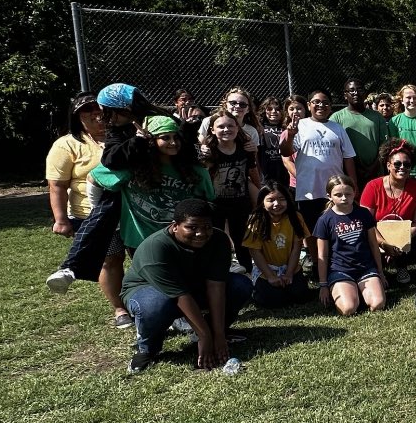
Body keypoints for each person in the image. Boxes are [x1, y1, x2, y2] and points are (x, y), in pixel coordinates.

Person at [122, 198, 252, 374]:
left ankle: (211, 330)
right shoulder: (155, 247)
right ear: (175, 226)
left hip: (192, 287)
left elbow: (216, 287)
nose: (201, 233)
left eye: (207, 227)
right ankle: (147, 349)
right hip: (149, 290)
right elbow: (179, 295)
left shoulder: (219, 239)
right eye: (192, 227)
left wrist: (218, 334)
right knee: (155, 304)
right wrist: (205, 336)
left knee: (240, 285)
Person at [45, 92, 129, 327]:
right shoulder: (67, 144)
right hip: (92, 214)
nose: (96, 113)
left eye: (99, 107)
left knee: (143, 258)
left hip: (133, 210)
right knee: (111, 260)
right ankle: (120, 309)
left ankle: (151, 304)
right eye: (87, 109)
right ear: (77, 117)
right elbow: (57, 185)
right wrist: (61, 219)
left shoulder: (124, 134)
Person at [91, 115, 216, 252]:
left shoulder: (194, 170)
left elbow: (209, 200)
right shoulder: (132, 167)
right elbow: (93, 178)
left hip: (181, 239)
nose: (173, 142)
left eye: (176, 137)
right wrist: (97, 212)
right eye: (165, 138)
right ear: (151, 141)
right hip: (141, 239)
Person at [279, 90, 357, 231]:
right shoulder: (300, 126)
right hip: (308, 189)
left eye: (325, 102)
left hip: (334, 189)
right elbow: (285, 152)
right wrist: (290, 136)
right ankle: (314, 247)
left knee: (335, 228)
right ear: (309, 105)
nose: (321, 105)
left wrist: (353, 184)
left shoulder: (338, 128)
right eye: (316, 102)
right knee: (310, 229)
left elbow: (348, 158)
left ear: (331, 106)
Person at [314, 173, 387, 315]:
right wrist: (323, 285)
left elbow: (374, 245)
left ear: (354, 193)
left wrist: (380, 272)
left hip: (365, 268)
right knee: (348, 309)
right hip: (340, 270)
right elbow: (322, 255)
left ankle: (359, 290)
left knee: (378, 304)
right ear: (329, 196)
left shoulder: (363, 214)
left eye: (348, 194)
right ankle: (349, 290)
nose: (344, 198)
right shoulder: (324, 220)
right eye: (338, 195)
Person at [360, 139, 416, 284]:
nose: (402, 167)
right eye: (397, 164)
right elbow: (366, 222)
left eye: (407, 164)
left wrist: (397, 242)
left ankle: (401, 265)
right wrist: (384, 243)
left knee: (409, 246)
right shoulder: (372, 187)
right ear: (388, 165)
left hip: (403, 237)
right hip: (375, 235)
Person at [200, 108, 258, 274]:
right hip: (215, 204)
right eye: (221, 126)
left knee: (242, 238)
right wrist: (203, 154)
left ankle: (247, 271)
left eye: (230, 126)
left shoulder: (245, 148)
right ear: (212, 130)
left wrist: (259, 190)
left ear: (237, 128)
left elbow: (252, 171)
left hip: (240, 202)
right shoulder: (209, 151)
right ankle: (219, 270)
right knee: (217, 237)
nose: (226, 129)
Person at [242, 182, 312, 308]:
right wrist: (270, 276)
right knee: (274, 300)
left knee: (300, 295)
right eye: (270, 200)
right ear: (262, 202)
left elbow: (296, 248)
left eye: (281, 199)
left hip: (290, 267)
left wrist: (289, 273)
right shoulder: (256, 220)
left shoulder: (296, 217)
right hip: (266, 269)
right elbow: (255, 252)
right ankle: (258, 290)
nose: (277, 204)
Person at [334, 78, 389, 184]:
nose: (356, 93)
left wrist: (373, 167)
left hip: (375, 173)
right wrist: (352, 169)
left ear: (365, 94)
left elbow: (385, 146)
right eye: (351, 90)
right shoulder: (336, 118)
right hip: (348, 175)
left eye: (359, 89)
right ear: (345, 95)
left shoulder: (377, 117)